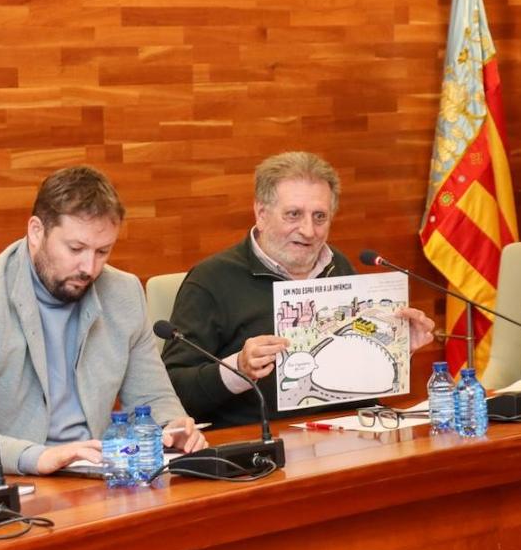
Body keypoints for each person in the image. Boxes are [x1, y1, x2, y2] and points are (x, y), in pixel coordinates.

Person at [0, 165, 208, 475]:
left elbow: (151, 396)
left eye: (103, 251)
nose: (89, 267)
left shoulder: (124, 293)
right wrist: (40, 457)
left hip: (89, 472)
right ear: (36, 232)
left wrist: (172, 425)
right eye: (76, 248)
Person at [162, 151, 436, 428]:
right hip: (258, 447)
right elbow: (170, 392)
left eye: (320, 217)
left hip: (345, 436)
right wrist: (238, 369)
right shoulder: (211, 280)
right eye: (293, 214)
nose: (308, 230)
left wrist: (397, 347)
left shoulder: (337, 266)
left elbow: (354, 381)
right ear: (261, 213)